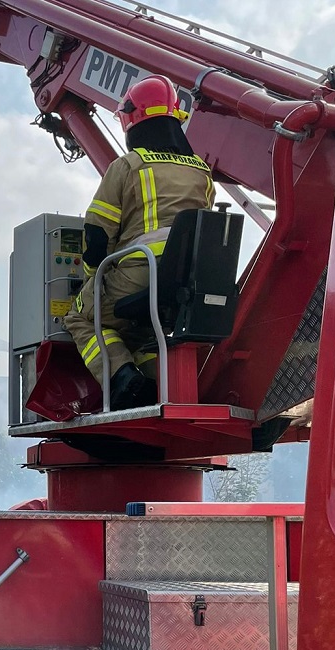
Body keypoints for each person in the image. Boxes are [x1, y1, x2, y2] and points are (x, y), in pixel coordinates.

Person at [64, 74, 215, 411]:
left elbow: (97, 234)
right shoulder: (202, 172)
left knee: (81, 317)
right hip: (183, 283)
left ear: (132, 120)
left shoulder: (128, 166)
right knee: (148, 327)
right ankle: (158, 385)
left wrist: (93, 277)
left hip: (138, 273)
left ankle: (121, 377)